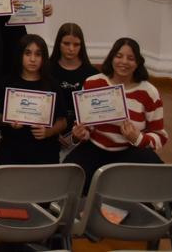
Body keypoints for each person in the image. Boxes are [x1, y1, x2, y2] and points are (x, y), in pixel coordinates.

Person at [66, 38, 166, 190]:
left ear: (138, 63)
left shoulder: (149, 92)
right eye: (119, 56)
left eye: (131, 58)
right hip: (95, 148)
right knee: (69, 177)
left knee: (157, 176)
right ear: (111, 58)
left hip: (129, 151)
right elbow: (83, 123)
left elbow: (160, 136)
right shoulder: (93, 83)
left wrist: (137, 138)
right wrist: (79, 133)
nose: (124, 62)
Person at [0, 34, 67, 165]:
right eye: (27, 53)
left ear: (44, 58)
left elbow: (62, 121)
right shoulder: (6, 82)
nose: (33, 59)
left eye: (38, 54)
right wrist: (7, 121)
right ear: (19, 55)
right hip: (12, 150)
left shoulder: (52, 84)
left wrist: (49, 132)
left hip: (45, 150)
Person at [50, 22, 98, 134]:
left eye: (76, 45)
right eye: (66, 43)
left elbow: (95, 110)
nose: (71, 48)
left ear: (81, 46)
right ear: (58, 43)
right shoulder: (47, 69)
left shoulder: (92, 73)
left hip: (83, 131)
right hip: (51, 129)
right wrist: (53, 132)